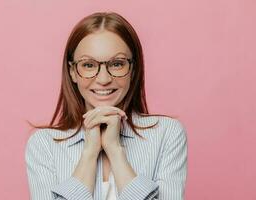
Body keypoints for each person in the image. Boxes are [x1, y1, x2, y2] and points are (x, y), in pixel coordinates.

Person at [25, 11, 188, 200]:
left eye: (117, 64)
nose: (103, 79)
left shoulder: (167, 134)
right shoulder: (43, 145)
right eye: (88, 65)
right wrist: (89, 154)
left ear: (133, 70)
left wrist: (114, 149)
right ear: (73, 72)